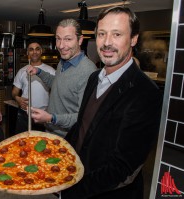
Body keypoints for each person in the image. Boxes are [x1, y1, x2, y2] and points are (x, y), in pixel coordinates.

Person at [61, 7, 162, 199]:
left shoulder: (145, 93)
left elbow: (123, 169)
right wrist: (56, 154)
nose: (107, 43)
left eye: (117, 34)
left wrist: (70, 189)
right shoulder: (93, 78)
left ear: (133, 39)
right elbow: (83, 126)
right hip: (75, 176)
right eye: (102, 34)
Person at [28, 18, 97, 137]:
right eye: (58, 39)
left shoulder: (88, 71)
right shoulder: (63, 61)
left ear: (80, 40)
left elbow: (84, 117)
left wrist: (51, 118)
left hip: (68, 136)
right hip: (51, 131)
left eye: (68, 39)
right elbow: (57, 84)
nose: (61, 45)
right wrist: (38, 71)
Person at [12, 39, 55, 134]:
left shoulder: (51, 71)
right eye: (31, 49)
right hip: (24, 114)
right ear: (27, 52)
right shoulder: (22, 71)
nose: (34, 52)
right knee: (22, 142)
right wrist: (17, 99)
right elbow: (14, 92)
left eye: (37, 49)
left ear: (41, 51)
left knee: (42, 144)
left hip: (43, 114)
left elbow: (56, 93)